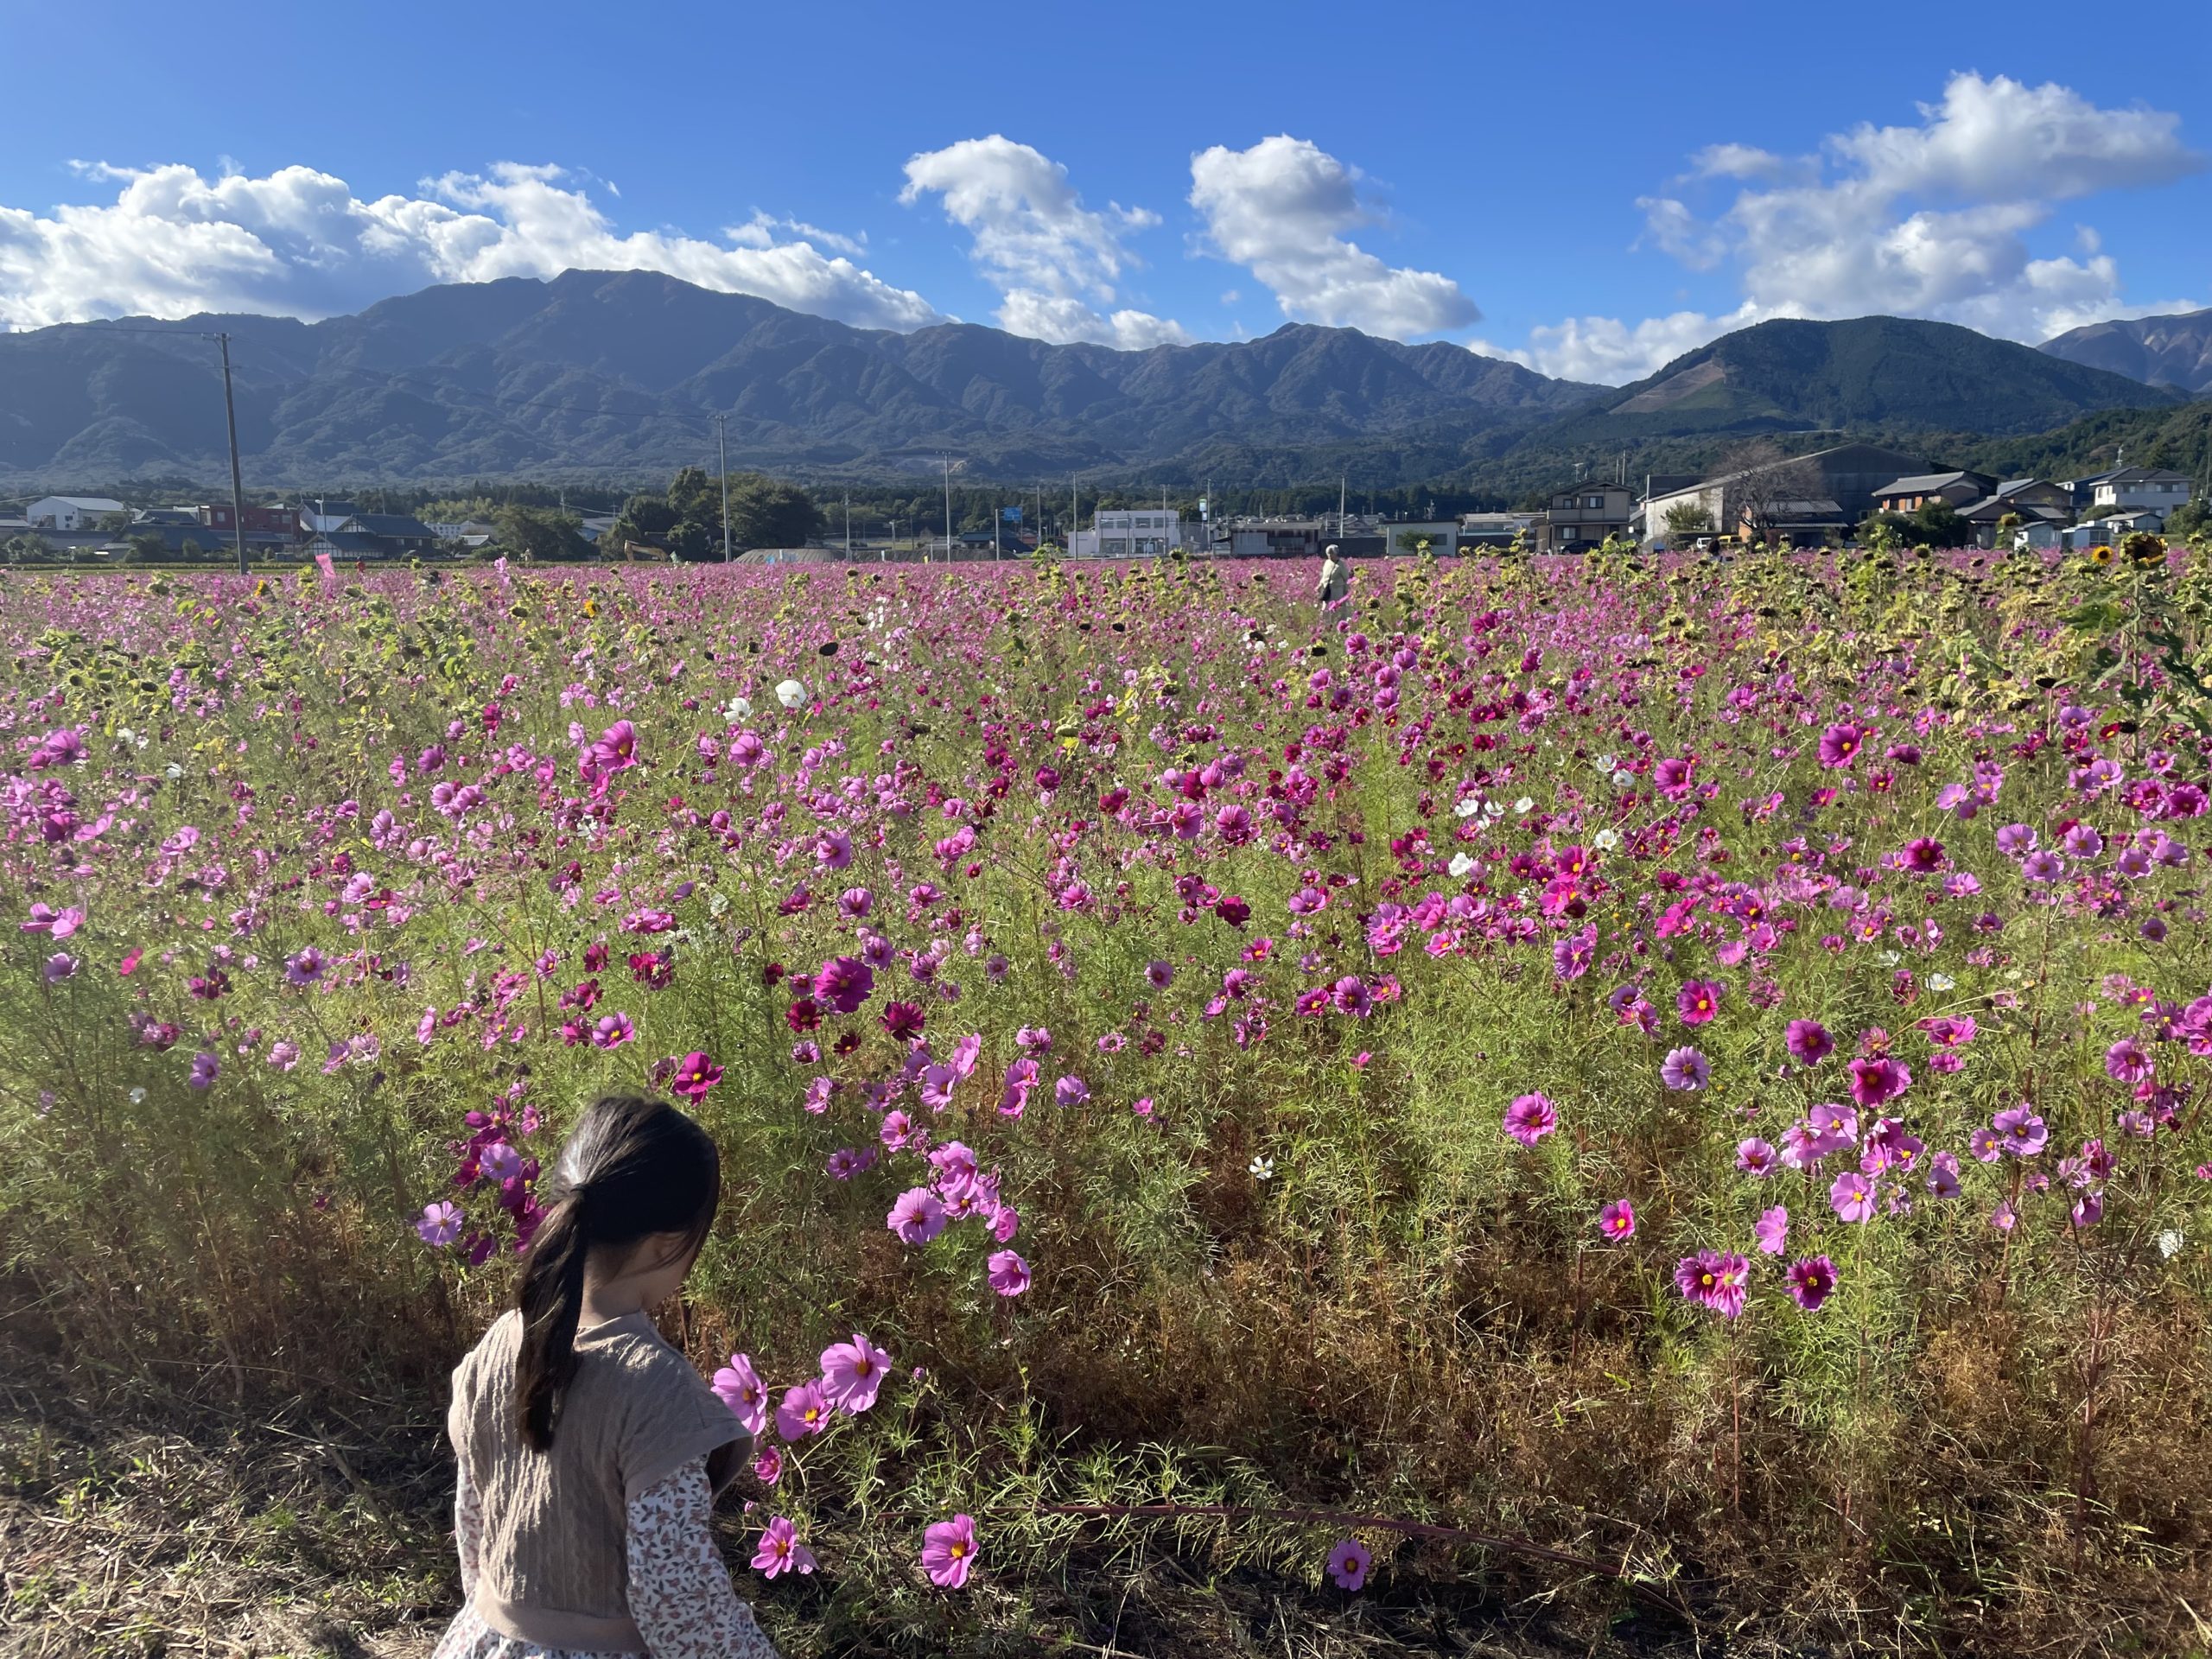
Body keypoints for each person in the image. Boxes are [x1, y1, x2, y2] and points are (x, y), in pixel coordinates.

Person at [433, 1094, 779, 1659]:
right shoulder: (658, 1393)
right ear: (668, 1244)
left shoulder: (500, 1342)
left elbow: (475, 1524)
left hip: (487, 1640)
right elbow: (676, 1596)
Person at [1317, 543, 1348, 609]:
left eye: (1331, 553)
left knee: (1336, 607)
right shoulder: (1327, 563)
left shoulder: (1341, 565)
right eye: (1328, 554)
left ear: (1336, 554)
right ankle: (1325, 619)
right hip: (1326, 589)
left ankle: (1336, 619)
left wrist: (1346, 589)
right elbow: (1324, 576)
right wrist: (1320, 585)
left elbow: (1346, 577)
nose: (1329, 555)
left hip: (1337, 590)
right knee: (1325, 608)